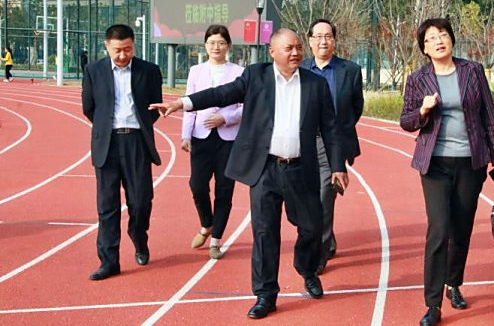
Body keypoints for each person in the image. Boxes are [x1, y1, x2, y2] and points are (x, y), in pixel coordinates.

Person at [149, 28, 348, 319]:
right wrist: (182, 103)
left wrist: (338, 166)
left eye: (298, 47)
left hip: (301, 169)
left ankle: (306, 269)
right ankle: (265, 294)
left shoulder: (315, 84)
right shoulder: (256, 76)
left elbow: (330, 127)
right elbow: (221, 94)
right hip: (265, 170)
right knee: (265, 233)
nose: (295, 53)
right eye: (288, 48)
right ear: (272, 52)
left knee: (311, 228)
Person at [400, 18, 494, 326]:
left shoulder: (472, 71)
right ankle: (433, 304)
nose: (438, 41)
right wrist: (422, 110)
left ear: (451, 39)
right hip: (434, 164)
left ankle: (454, 282)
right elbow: (406, 121)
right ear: (424, 48)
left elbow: (489, 114)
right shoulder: (418, 79)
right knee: (439, 230)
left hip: (470, 162)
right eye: (431, 38)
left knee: (461, 228)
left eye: (443, 35)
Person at [82, 24, 163, 281]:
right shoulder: (93, 71)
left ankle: (139, 238)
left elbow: (153, 108)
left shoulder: (149, 71)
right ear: (107, 46)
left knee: (141, 202)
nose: (122, 55)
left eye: (127, 49)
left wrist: (136, 126)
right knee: (107, 206)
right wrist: (108, 127)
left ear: (134, 45)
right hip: (107, 143)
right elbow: (89, 108)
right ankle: (109, 261)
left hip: (137, 142)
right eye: (117, 50)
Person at [301, 18, 363, 274]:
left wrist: (339, 136)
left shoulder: (350, 70)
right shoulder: (300, 69)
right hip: (303, 142)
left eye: (328, 36)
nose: (323, 41)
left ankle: (319, 255)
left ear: (334, 40)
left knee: (324, 196)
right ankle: (328, 238)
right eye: (318, 36)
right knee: (307, 196)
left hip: (333, 142)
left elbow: (356, 108)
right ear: (310, 41)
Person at [182, 25, 244, 260]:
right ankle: (206, 224)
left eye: (221, 42)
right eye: (211, 43)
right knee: (197, 185)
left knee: (224, 190)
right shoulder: (196, 71)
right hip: (201, 137)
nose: (216, 47)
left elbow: (246, 107)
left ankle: (216, 240)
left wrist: (225, 118)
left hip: (228, 139)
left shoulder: (239, 72)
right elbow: (189, 105)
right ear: (205, 45)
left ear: (228, 45)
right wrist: (186, 135)